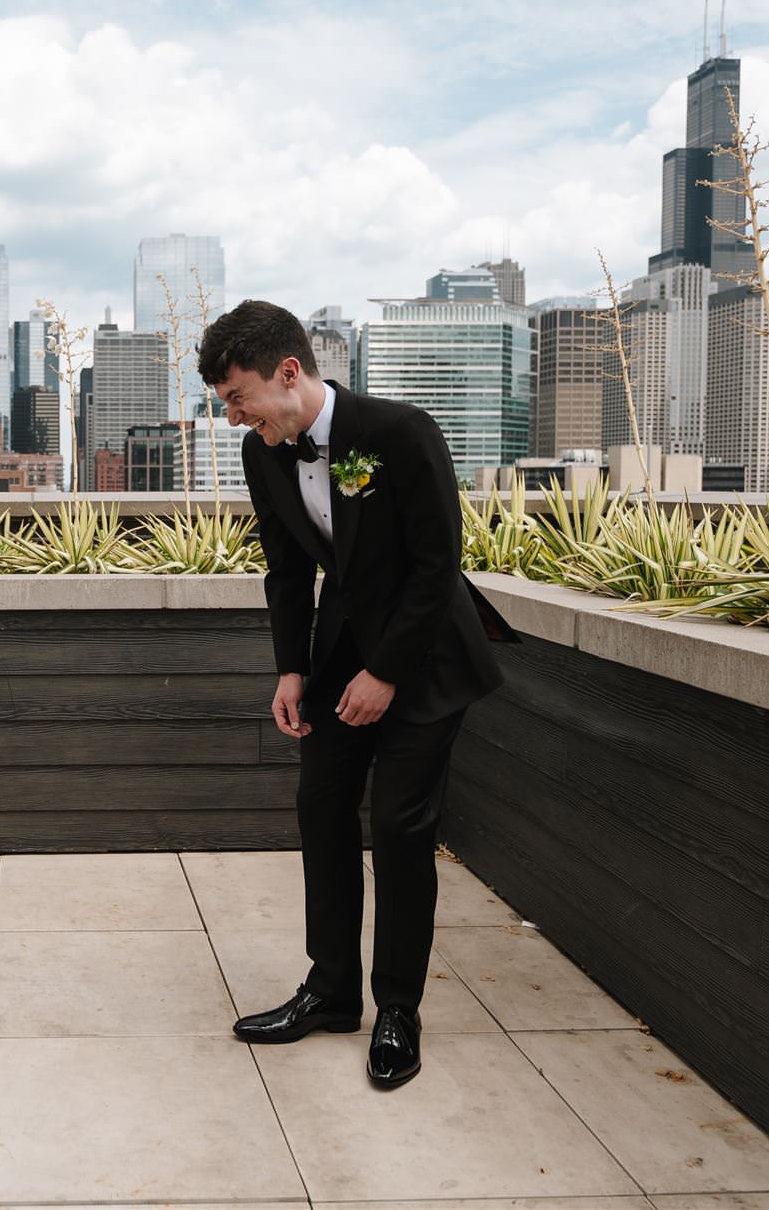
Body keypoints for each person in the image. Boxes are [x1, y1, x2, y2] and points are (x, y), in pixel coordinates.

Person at [198, 301, 513, 1090]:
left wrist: (389, 673)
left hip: (427, 658)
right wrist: (292, 668)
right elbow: (286, 568)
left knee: (403, 828)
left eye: (238, 397)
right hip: (341, 655)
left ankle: (397, 1009)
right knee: (321, 806)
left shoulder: (400, 433)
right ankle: (331, 990)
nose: (233, 415)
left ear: (290, 373)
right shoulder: (263, 452)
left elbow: (438, 566)